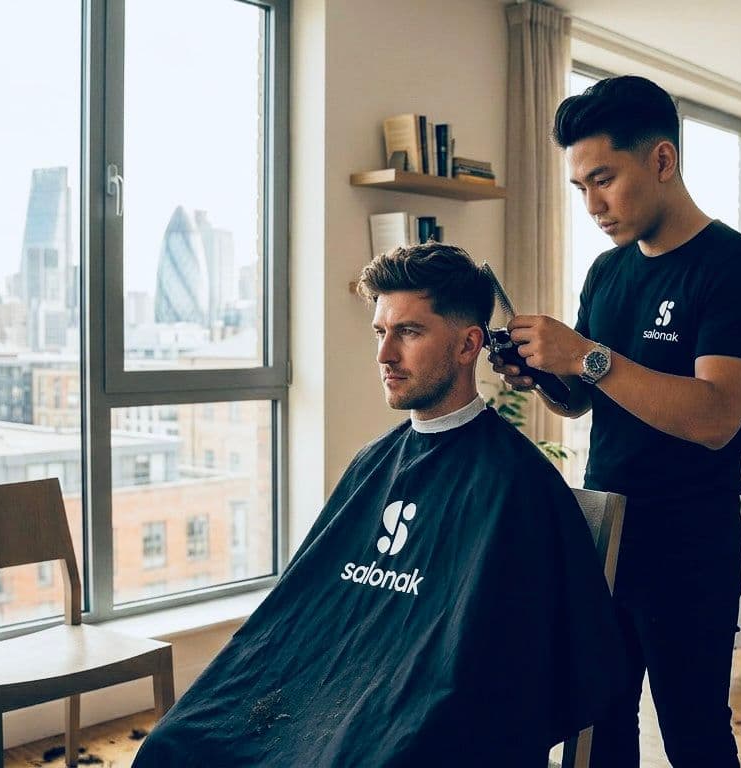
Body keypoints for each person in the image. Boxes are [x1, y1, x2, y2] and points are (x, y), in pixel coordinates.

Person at [132, 242, 626, 767]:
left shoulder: (516, 484)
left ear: (468, 346)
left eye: (408, 332)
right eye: (380, 332)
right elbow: (299, 617)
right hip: (333, 703)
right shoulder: (372, 464)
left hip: (411, 725)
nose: (384, 354)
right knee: (175, 746)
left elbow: (501, 669)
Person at [491, 75, 741, 768]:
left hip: (690, 547)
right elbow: (586, 398)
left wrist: (586, 355)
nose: (593, 205)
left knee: (693, 735)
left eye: (604, 179)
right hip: (604, 534)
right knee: (597, 724)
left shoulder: (737, 271)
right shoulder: (608, 272)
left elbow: (715, 416)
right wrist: (543, 376)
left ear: (661, 160)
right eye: (579, 188)